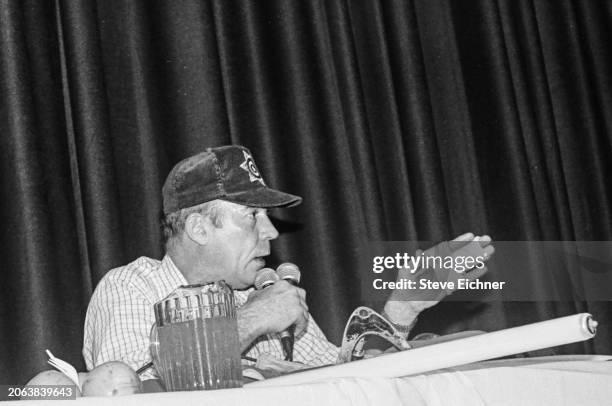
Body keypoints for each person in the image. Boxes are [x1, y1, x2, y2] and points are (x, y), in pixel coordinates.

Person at [82, 145, 494, 386]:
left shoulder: (263, 294)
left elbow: (346, 380)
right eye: (251, 216)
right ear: (198, 227)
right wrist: (250, 321)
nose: (273, 233)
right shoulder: (132, 286)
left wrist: (403, 307)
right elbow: (132, 389)